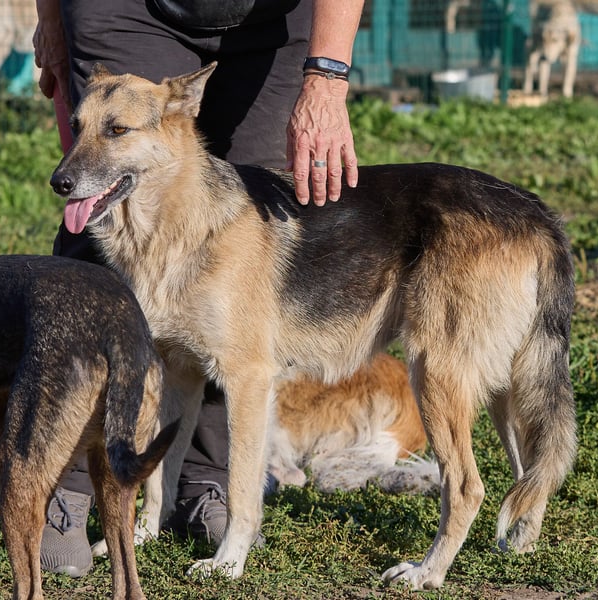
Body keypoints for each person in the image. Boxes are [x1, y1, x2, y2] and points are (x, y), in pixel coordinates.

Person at [33, 0, 364, 577]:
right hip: (124, 9)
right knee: (91, 259)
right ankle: (72, 485)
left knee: (242, 254)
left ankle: (204, 482)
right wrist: (53, 25)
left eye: (112, 132)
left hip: (271, 24)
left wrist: (328, 76)